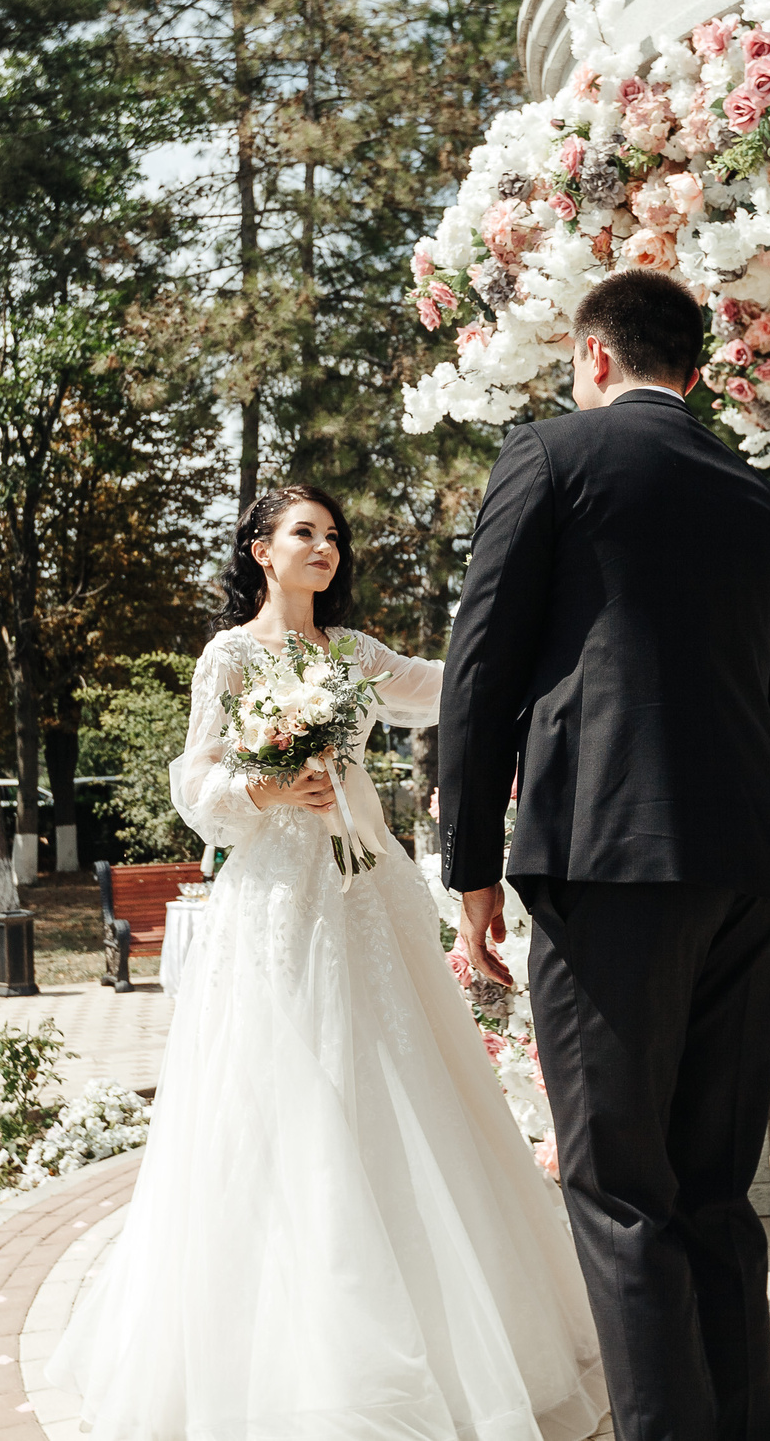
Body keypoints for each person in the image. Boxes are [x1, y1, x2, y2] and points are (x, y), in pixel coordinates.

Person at [47, 486, 607, 1441]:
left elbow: (445, 679)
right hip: (275, 899)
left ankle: (462, 1344)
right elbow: (196, 781)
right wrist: (264, 783)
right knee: (283, 1094)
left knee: (402, 1083)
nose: (326, 548)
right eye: (305, 533)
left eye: (335, 535)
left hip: (367, 891)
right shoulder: (229, 655)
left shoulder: (350, 656)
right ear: (261, 550)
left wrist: (530, 612)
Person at [440, 267, 770, 1441]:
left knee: (618, 1193)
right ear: (694, 370)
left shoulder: (550, 457)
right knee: (714, 1191)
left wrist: (468, 874)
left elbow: (480, 672)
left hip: (608, 866)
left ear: (593, 358)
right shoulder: (769, 503)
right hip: (751, 883)